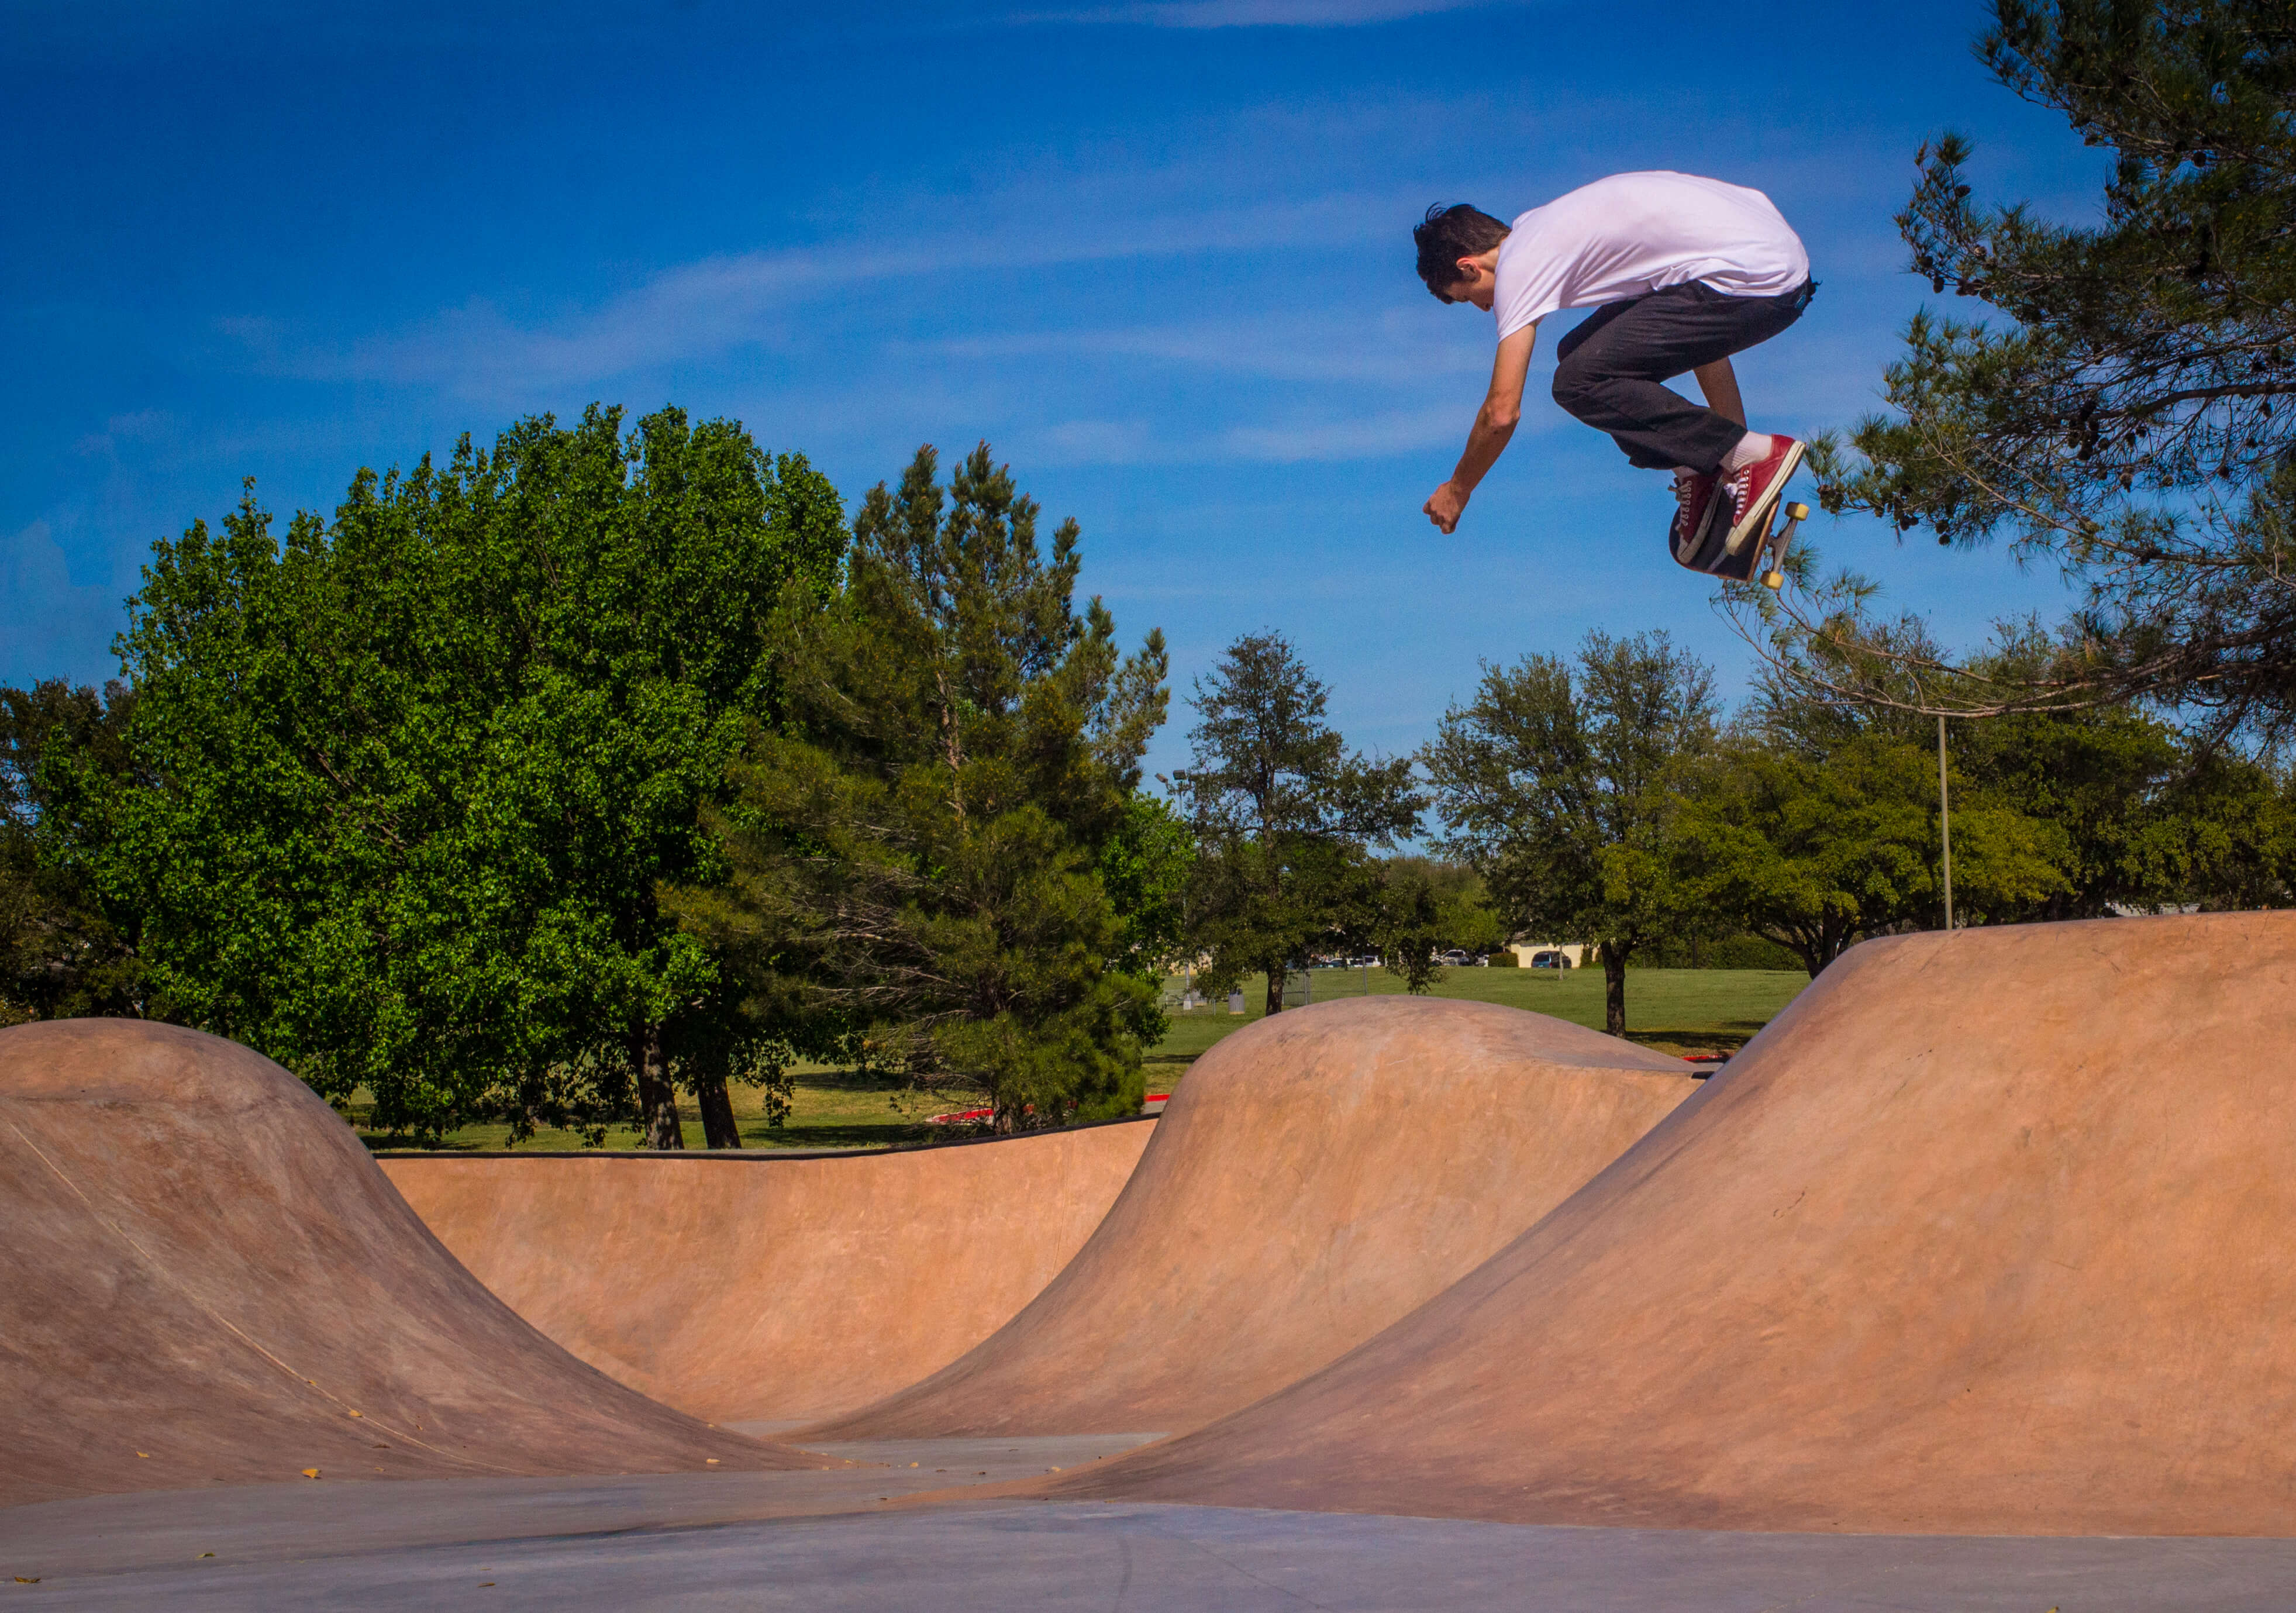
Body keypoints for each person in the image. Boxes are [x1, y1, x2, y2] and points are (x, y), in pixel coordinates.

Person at [1412, 172, 1815, 567]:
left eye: (1469, 298)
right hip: (1766, 265)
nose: (1485, 308)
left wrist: (1458, 490)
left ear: (1469, 267)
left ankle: (1755, 454)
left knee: (1576, 382)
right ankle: (1701, 469)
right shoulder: (1544, 230)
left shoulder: (1519, 266)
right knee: (1578, 353)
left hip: (1758, 283)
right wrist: (1730, 460)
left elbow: (1500, 413)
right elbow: (1702, 346)